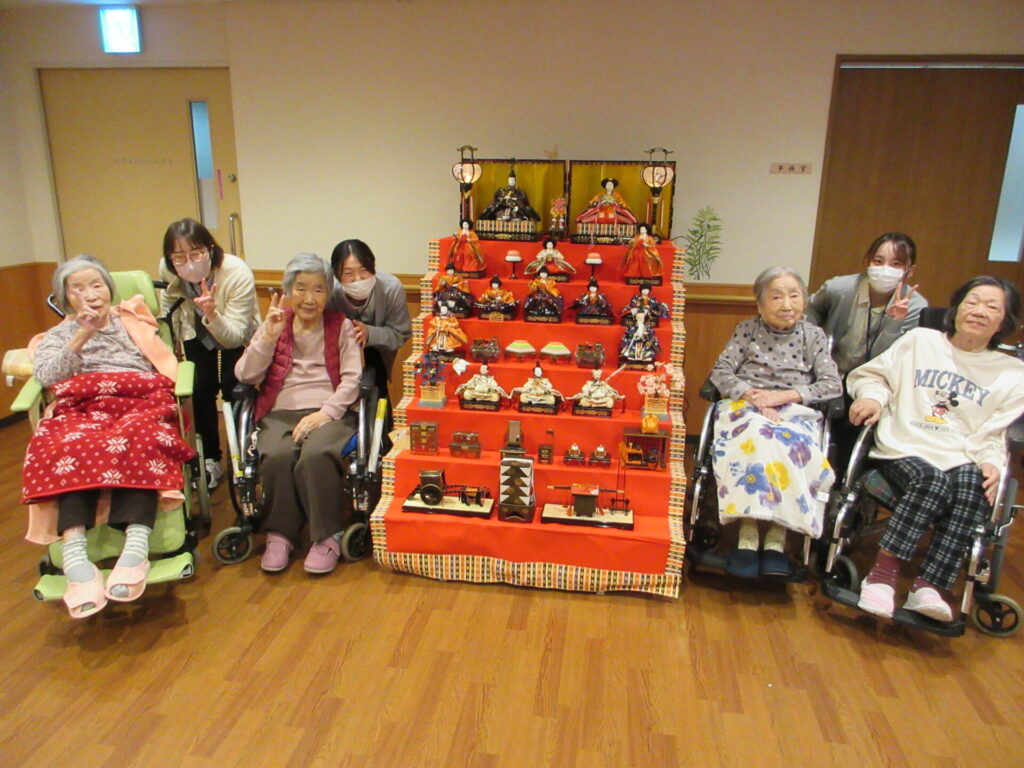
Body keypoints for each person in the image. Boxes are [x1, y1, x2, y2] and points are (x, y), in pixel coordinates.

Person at [24, 255, 195, 618]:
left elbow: (161, 367)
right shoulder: (56, 336)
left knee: (139, 436)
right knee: (68, 443)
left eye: (97, 284)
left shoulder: (133, 323)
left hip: (137, 401)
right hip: (82, 407)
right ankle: (75, 556)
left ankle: (136, 547)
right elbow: (47, 377)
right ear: (66, 298)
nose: (90, 294)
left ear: (109, 289)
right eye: (78, 288)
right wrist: (81, 336)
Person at [847, 276, 1024, 622]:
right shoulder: (919, 341)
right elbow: (875, 377)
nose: (979, 311)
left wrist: (991, 462)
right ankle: (881, 576)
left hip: (961, 454)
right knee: (932, 481)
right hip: (904, 445)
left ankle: (929, 586)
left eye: (992, 307)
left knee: (975, 486)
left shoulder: (1013, 374)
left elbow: (995, 432)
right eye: (972, 302)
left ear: (1005, 322)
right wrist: (872, 397)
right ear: (956, 309)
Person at [709, 267, 842, 578]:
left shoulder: (813, 336)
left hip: (794, 410)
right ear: (759, 304)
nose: (787, 304)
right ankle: (747, 536)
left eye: (794, 296)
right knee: (757, 437)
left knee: (787, 442)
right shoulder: (746, 331)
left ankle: (776, 540)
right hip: (747, 407)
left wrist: (784, 397)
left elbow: (832, 384)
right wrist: (755, 397)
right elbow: (721, 372)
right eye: (777, 297)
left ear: (804, 301)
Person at [236, 254, 363, 575]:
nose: (309, 298)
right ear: (288, 290)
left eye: (319, 289)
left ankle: (327, 535)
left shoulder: (341, 326)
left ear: (328, 293)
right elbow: (246, 375)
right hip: (280, 410)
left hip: (331, 411)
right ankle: (280, 534)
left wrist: (325, 413)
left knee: (315, 454)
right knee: (277, 454)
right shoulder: (275, 322)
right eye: (301, 288)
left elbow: (352, 379)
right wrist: (268, 336)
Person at [159, 218, 260, 490]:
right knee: (201, 388)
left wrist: (212, 313)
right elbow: (169, 304)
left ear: (210, 249)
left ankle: (243, 458)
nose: (187, 262)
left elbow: (234, 335)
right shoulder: (168, 268)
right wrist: (169, 345)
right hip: (194, 329)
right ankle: (210, 459)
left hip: (233, 329)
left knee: (233, 387)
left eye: (196, 253)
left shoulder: (236, 272)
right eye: (179, 256)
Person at [806, 232, 927, 377]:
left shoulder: (915, 307)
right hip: (828, 372)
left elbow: (887, 359)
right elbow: (809, 308)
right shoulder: (839, 289)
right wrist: (812, 344)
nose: (885, 269)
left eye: (896, 264)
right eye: (878, 261)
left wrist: (894, 322)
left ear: (910, 271)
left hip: (874, 379)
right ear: (869, 262)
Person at [328, 239, 412, 405]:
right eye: (348, 273)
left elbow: (401, 333)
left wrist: (370, 333)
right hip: (337, 354)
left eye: (364, 270)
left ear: (373, 267)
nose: (358, 279)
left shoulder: (390, 288)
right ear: (337, 275)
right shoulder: (330, 293)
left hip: (378, 351)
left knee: (377, 396)